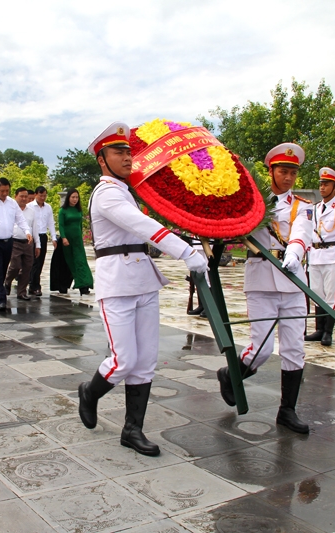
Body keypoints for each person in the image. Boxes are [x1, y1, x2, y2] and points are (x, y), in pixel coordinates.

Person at [77, 122, 209, 457]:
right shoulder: (107, 193)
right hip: (117, 283)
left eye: (127, 151)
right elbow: (143, 226)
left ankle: (132, 430)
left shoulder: (126, 192)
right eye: (118, 152)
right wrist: (186, 251)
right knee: (123, 360)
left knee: (145, 360)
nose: (126, 157)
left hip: (142, 281)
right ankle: (90, 393)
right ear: (102, 160)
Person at [216, 142, 314, 434]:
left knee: (294, 349)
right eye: (283, 171)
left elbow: (301, 232)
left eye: (292, 173)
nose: (287, 178)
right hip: (261, 281)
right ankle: (230, 374)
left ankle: (287, 411)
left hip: (293, 282)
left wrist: (295, 254)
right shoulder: (254, 202)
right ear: (270, 171)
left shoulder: (302, 207)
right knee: (261, 348)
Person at [305, 167, 335, 346]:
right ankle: (318, 329)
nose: (322, 188)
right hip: (315, 256)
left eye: (326, 184)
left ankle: (327, 332)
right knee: (317, 294)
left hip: (332, 256)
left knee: (331, 296)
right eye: (321, 184)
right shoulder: (315, 208)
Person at [0, 178, 32, 310]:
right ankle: (1, 297)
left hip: (8, 241)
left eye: (7, 191)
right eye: (2, 191)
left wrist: (27, 231)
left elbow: (20, 218)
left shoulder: (12, 203)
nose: (5, 193)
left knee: (3, 269)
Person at [4, 187, 41, 301]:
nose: (24, 198)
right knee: (15, 265)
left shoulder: (31, 211)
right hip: (15, 241)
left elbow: (34, 228)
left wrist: (37, 244)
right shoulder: (10, 209)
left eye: (26, 196)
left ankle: (21, 292)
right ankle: (7, 280)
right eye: (21, 196)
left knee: (27, 267)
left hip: (28, 243)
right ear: (16, 196)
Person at [59, 188, 93, 295]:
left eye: (76, 197)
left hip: (78, 240)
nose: (75, 199)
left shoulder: (79, 210)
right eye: (73, 197)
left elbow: (80, 226)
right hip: (67, 241)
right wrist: (63, 237)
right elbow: (61, 225)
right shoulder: (63, 211)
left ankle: (85, 284)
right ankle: (70, 284)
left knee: (81, 261)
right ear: (68, 198)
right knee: (71, 262)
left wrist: (81, 237)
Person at [28, 186, 57, 296]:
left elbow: (51, 223)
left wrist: (54, 237)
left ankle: (33, 283)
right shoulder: (30, 207)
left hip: (43, 236)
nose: (42, 198)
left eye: (44, 195)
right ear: (36, 195)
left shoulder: (48, 207)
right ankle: (35, 286)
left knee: (40, 262)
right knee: (34, 262)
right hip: (32, 237)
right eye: (40, 195)